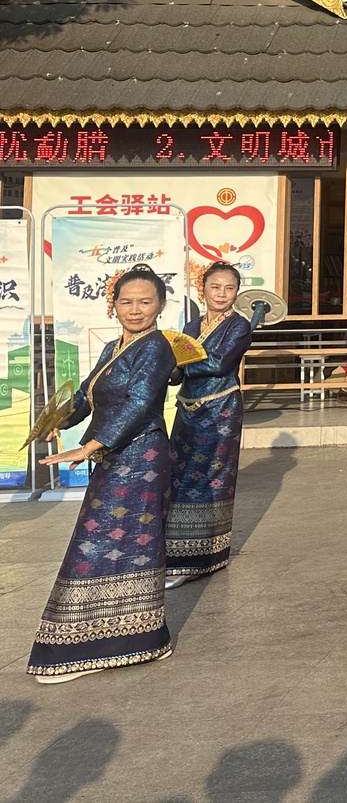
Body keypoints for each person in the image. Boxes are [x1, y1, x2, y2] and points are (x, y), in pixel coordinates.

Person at [27, 264, 180, 682]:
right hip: (114, 456)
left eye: (145, 301)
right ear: (114, 305)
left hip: (142, 457)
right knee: (108, 542)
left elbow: (139, 402)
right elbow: (87, 395)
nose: (135, 309)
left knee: (103, 544)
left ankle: (110, 642)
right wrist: (58, 420)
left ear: (160, 305)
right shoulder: (114, 347)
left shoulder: (157, 347)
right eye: (126, 301)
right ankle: (135, 638)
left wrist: (89, 445)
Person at [164, 260, 255, 587]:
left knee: (210, 480)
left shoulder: (239, 326)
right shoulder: (190, 327)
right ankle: (175, 554)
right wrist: (169, 369)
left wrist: (179, 364)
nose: (221, 293)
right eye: (215, 287)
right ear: (202, 290)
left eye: (229, 288)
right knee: (179, 477)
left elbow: (219, 363)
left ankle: (202, 559)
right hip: (188, 409)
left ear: (237, 292)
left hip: (220, 411)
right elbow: (177, 374)